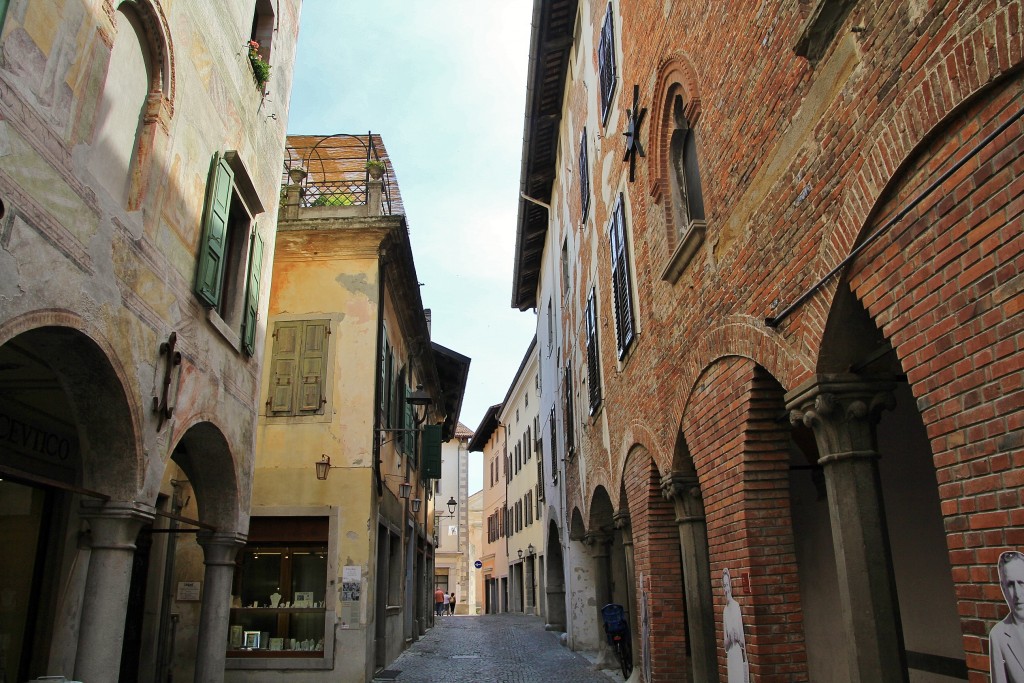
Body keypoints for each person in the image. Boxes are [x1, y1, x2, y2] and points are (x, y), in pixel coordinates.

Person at [991, 551, 1024, 683]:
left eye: (1022, 583)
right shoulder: (998, 635)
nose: (1018, 593)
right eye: (1010, 585)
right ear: (1003, 588)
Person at [722, 568, 749, 683]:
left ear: (731, 586)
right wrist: (729, 638)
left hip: (737, 653)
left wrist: (737, 637)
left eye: (727, 585)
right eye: (724, 586)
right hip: (731, 655)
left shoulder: (736, 606)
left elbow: (742, 642)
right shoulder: (725, 611)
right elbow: (725, 645)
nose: (726, 589)